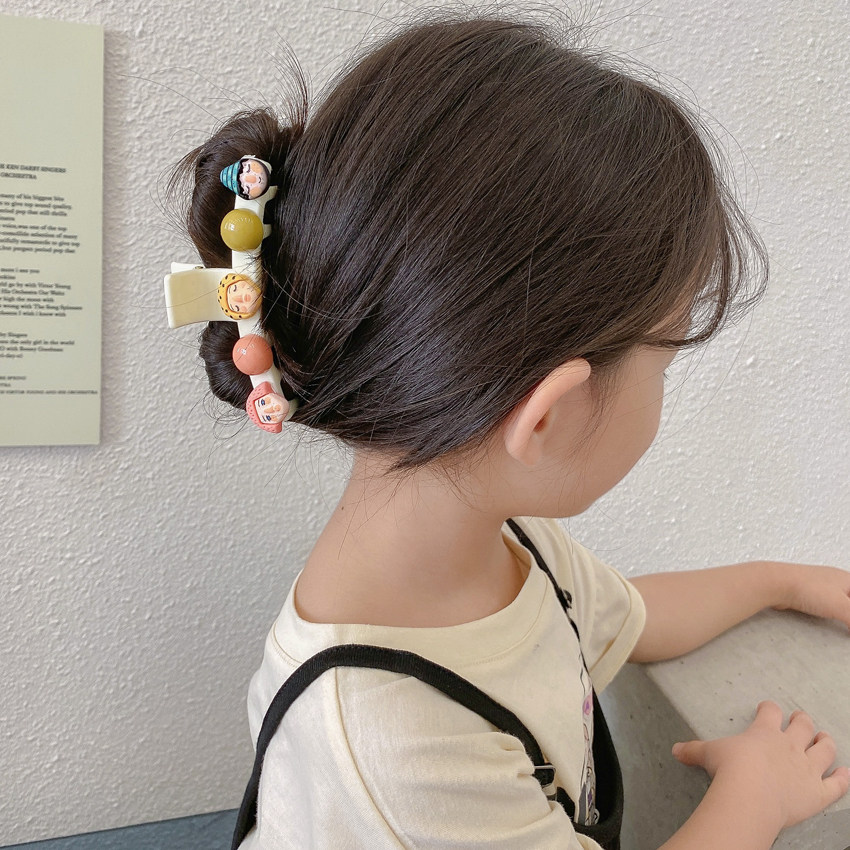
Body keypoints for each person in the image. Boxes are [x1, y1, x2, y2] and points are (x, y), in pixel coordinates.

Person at [165, 11, 850, 850]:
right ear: (549, 417)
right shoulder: (399, 747)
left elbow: (625, 618)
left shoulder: (500, 545)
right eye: (664, 362)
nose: (663, 389)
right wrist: (756, 796)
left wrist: (782, 583)